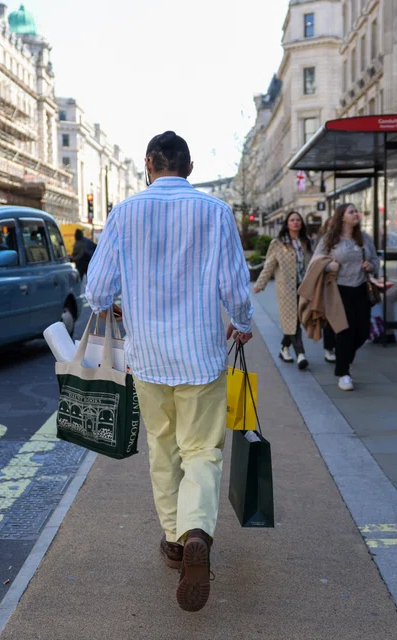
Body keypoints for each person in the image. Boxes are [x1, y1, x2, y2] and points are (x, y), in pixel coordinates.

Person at [85, 131, 253, 613]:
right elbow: (235, 285)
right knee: (202, 449)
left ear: (149, 164)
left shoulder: (125, 212)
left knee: (162, 446)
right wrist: (242, 324)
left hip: (149, 357)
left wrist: (113, 305)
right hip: (201, 354)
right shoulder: (215, 211)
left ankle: (175, 542)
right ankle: (197, 528)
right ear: (190, 166)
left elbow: (97, 289)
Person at [309, 203, 379, 391]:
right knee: (344, 331)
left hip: (361, 289)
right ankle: (343, 373)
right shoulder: (330, 239)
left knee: (363, 332)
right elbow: (315, 261)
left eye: (356, 211)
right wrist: (329, 266)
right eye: (351, 212)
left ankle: (344, 358)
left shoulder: (364, 238)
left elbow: (375, 260)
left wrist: (371, 266)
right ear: (342, 217)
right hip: (338, 290)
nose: (356, 214)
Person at [253, 211, 311, 370]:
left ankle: (284, 348)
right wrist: (260, 284)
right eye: (292, 220)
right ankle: (301, 354)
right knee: (293, 321)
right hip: (286, 289)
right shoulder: (278, 243)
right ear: (287, 224)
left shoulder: (306, 242)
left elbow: (312, 264)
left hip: (303, 288)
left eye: (298, 220)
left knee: (295, 320)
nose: (295, 222)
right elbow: (269, 265)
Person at [317, 217, 337, 363]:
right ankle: (329, 347)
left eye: (334, 225)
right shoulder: (324, 242)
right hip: (328, 283)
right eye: (329, 225)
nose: (332, 228)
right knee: (330, 317)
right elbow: (317, 261)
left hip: (346, 283)